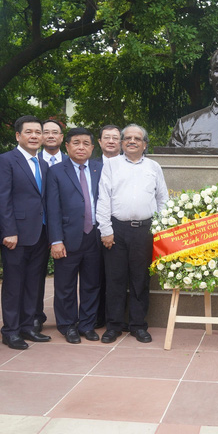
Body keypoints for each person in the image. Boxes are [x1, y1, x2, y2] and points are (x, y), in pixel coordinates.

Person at [96, 124, 168, 344]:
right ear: (122, 143)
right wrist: (106, 230)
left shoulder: (154, 167)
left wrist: (160, 228)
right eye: (127, 138)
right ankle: (114, 325)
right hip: (117, 230)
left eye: (137, 138)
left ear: (145, 144)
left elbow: (162, 199)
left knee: (140, 279)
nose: (132, 141)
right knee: (115, 279)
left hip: (145, 231)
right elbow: (103, 198)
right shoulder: (111, 166)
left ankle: (138, 325)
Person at [0, 115, 51, 350]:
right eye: (29, 132)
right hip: (15, 234)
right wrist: (8, 230)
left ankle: (28, 326)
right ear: (18, 135)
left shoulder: (43, 164)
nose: (35, 136)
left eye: (38, 132)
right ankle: (11, 330)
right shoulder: (5, 161)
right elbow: (2, 198)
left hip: (40, 233)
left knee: (33, 284)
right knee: (14, 284)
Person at [46, 128, 102, 343]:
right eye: (76, 143)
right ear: (67, 146)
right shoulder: (57, 171)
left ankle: (87, 324)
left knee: (91, 284)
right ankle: (67, 325)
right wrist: (56, 240)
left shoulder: (99, 168)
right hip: (68, 238)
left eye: (86, 143)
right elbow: (52, 208)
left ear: (92, 147)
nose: (81, 147)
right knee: (65, 285)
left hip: (94, 236)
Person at [34, 119, 67, 331]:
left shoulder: (72, 160)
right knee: (36, 274)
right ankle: (35, 315)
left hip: (68, 227)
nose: (51, 136)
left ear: (62, 137)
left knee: (67, 275)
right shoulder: (32, 160)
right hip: (38, 227)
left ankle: (67, 317)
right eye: (47, 132)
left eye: (55, 132)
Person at [94, 125, 121, 329]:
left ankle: (121, 317)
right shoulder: (91, 167)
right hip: (95, 229)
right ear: (100, 142)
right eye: (107, 138)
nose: (111, 141)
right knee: (97, 274)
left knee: (121, 275)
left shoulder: (130, 165)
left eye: (115, 138)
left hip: (123, 228)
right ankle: (97, 316)